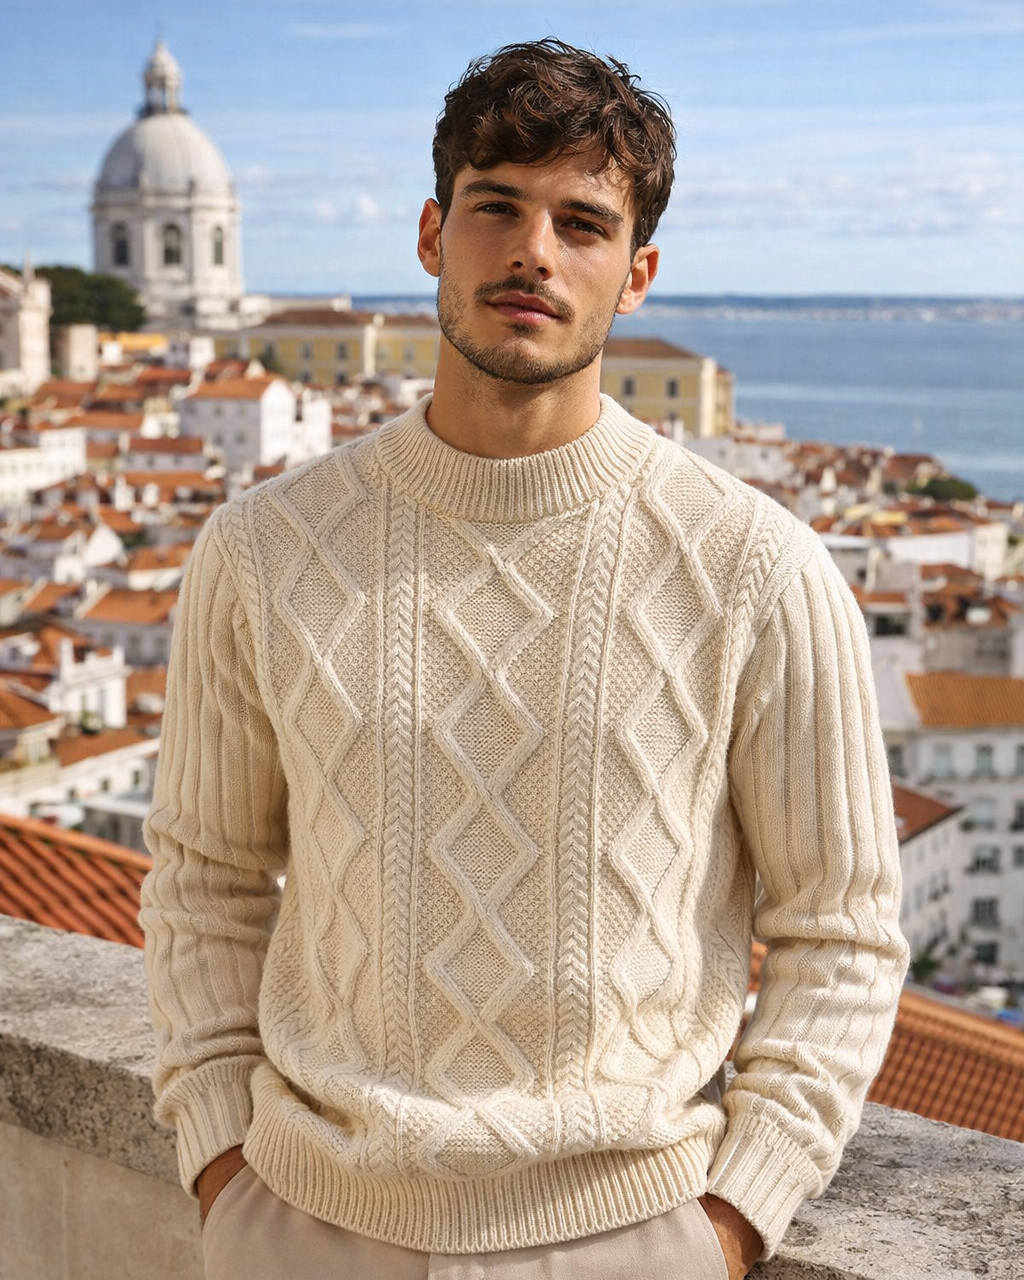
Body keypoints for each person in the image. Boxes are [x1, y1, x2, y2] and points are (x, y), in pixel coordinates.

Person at [141, 38, 909, 1280]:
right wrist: (224, 1168)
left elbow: (844, 928)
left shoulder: (759, 567)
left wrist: (728, 1222)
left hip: (631, 1240)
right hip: (297, 1227)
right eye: (497, 206)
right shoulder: (260, 550)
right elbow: (203, 878)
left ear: (636, 273)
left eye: (582, 222)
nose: (533, 251)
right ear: (434, 233)